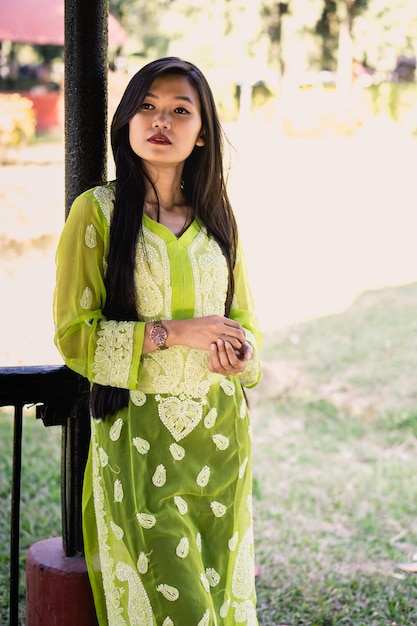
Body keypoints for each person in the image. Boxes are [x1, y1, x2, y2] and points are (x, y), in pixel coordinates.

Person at [54, 56, 262, 626]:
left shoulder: (218, 217)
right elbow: (74, 337)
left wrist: (240, 355)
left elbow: (246, 323)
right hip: (138, 441)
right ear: (125, 120)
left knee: (221, 604)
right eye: (146, 106)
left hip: (221, 441)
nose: (159, 121)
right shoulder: (96, 214)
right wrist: (172, 334)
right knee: (178, 609)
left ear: (202, 134)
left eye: (179, 110)